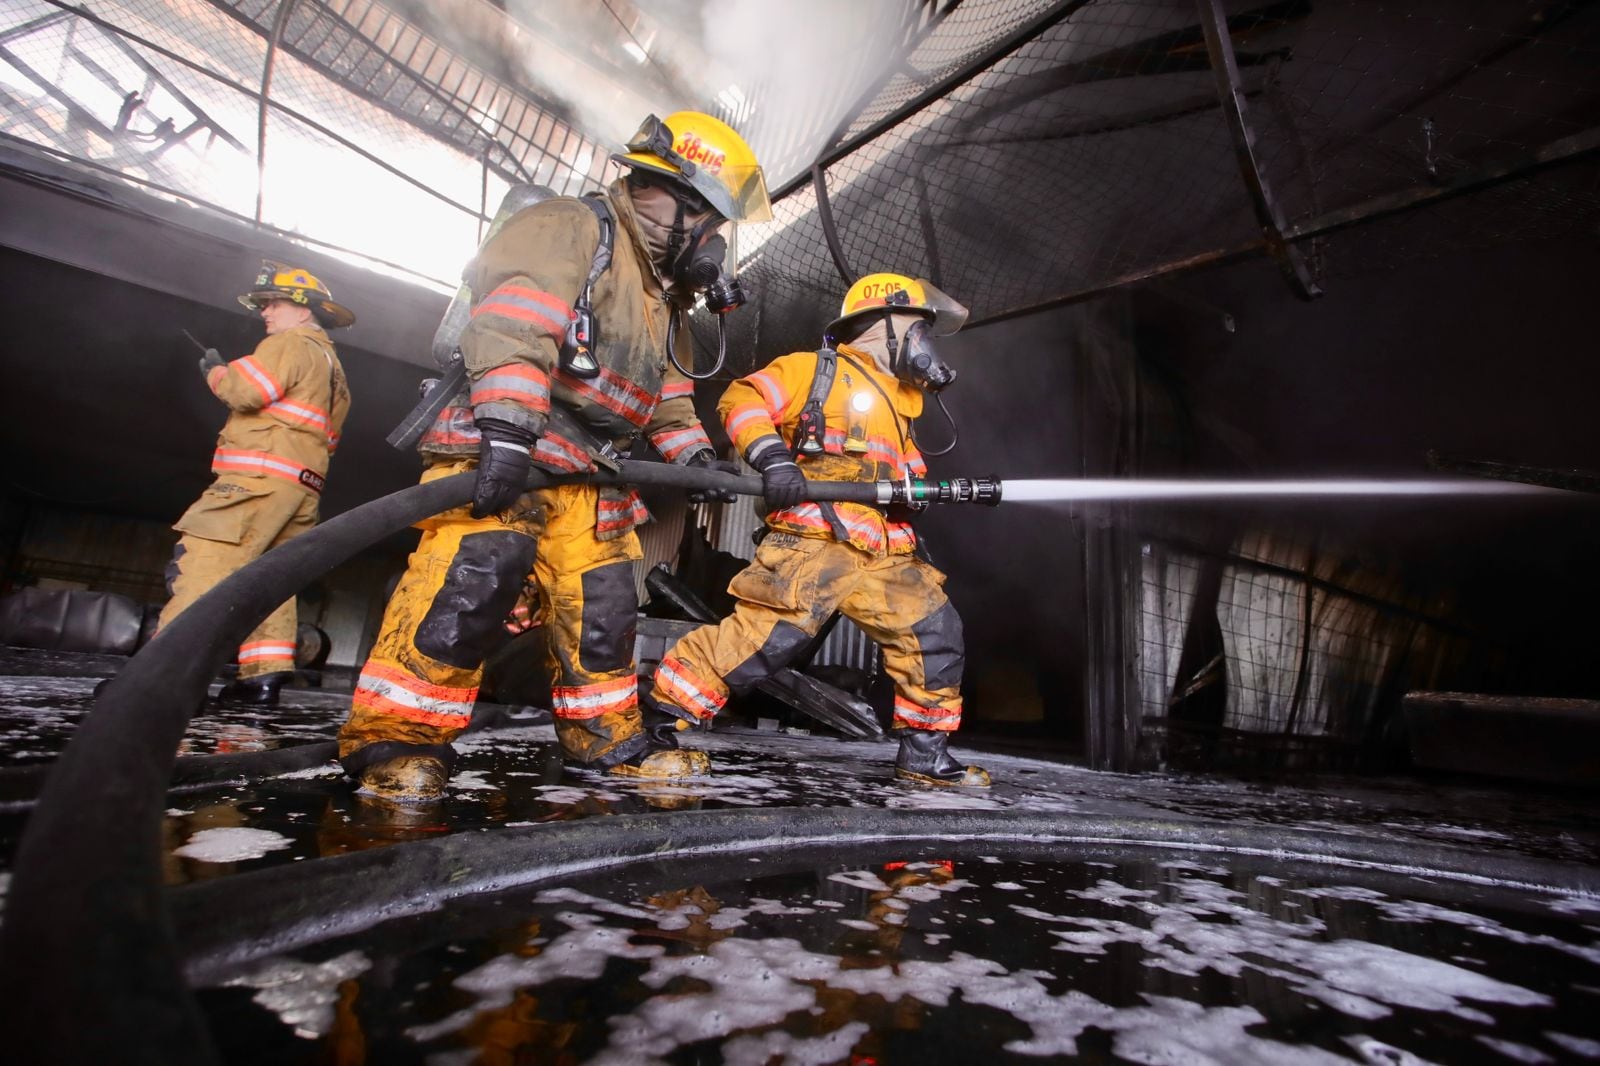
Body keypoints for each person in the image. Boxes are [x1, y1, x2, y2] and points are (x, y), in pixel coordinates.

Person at [337, 110, 771, 802]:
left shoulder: (663, 297)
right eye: (713, 223)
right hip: (514, 445)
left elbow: (662, 394)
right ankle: (396, 738)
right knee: (471, 585)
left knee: (603, 610)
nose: (715, 242)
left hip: (594, 473)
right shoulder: (574, 227)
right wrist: (507, 429)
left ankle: (607, 742)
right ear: (676, 197)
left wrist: (695, 459)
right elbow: (515, 320)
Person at [645, 272, 991, 788]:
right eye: (919, 330)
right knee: (765, 641)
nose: (925, 344)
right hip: (814, 542)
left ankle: (925, 755)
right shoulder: (814, 370)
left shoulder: (899, 408)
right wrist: (774, 461)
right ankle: (656, 719)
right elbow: (741, 400)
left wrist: (911, 498)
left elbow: (897, 473)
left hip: (883, 553)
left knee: (935, 632)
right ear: (883, 326)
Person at [159, 263, 354, 706]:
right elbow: (328, 435)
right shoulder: (334, 369)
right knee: (271, 580)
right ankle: (261, 679)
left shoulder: (288, 343)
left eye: (276, 303)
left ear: (304, 312)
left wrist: (215, 372)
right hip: (300, 487)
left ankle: (163, 677)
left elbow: (245, 392)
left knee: (207, 559)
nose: (267, 312)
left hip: (258, 481)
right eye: (265, 305)